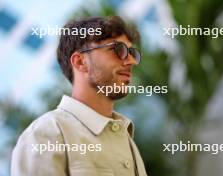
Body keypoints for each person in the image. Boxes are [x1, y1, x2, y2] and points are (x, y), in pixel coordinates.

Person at [11, 16, 147, 176]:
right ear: (80, 62)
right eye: (118, 49)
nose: (131, 61)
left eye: (132, 53)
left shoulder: (126, 139)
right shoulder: (45, 135)